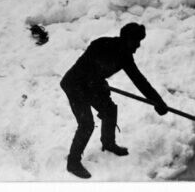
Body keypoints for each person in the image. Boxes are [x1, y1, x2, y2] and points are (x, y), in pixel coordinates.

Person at [60, 23, 169, 179]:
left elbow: (139, 80)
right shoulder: (100, 45)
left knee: (110, 110)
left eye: (139, 42)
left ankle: (108, 143)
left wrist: (157, 102)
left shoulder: (125, 57)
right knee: (86, 124)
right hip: (74, 84)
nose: (138, 46)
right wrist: (99, 84)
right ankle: (73, 162)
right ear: (126, 39)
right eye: (135, 42)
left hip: (92, 84)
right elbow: (86, 69)